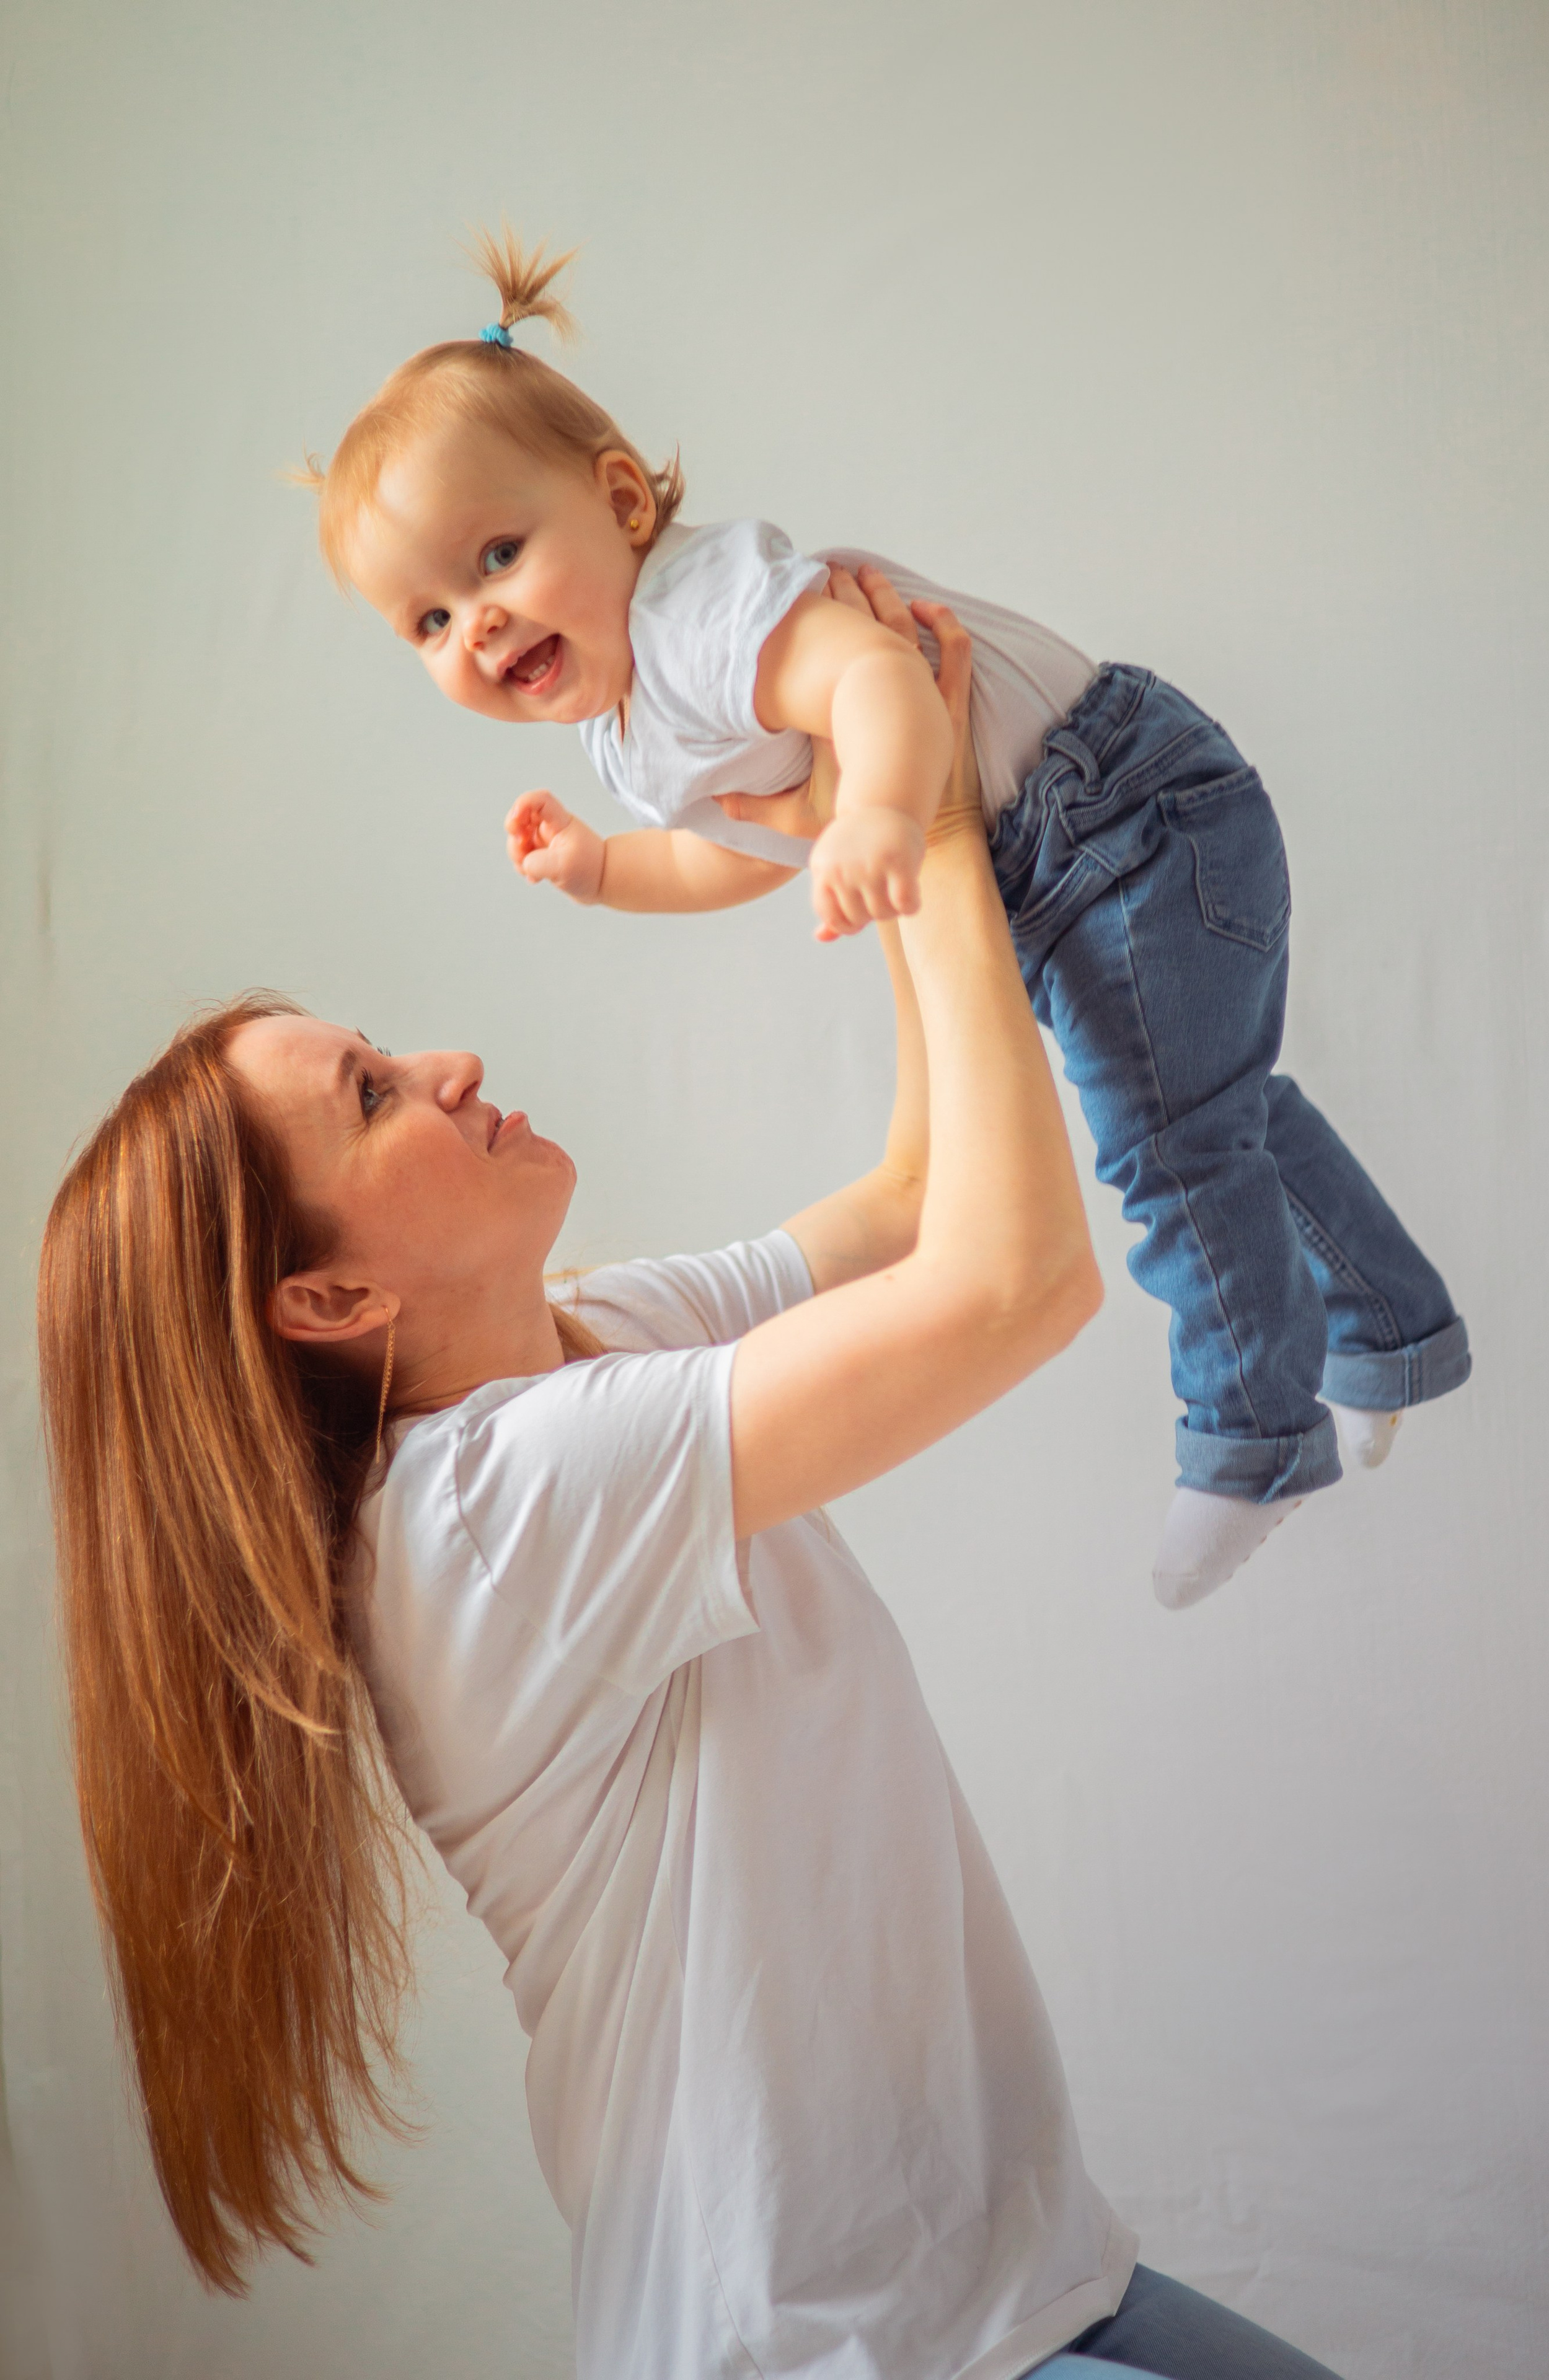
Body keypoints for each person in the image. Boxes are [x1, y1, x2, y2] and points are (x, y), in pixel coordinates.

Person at [39, 592, 1343, 2378]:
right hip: (825, 2345)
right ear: (329, 1299)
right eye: (373, 1093)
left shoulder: (585, 1347)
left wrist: (867, 798)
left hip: (1011, 2274)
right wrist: (933, 831)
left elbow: (912, 1193)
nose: (450, 1065)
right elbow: (1013, 1283)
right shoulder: (485, 1519)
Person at [297, 229, 1470, 1609]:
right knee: (1223, 1108)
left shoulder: (698, 612)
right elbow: (742, 847)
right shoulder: (622, 730)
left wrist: (877, 815)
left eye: (496, 557)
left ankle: (1253, 1435)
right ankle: (1390, 1334)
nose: (478, 627)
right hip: (1068, 855)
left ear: (619, 500)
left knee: (1170, 1144)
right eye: (429, 621)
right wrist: (610, 869)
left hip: (1123, 814)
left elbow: (878, 682)